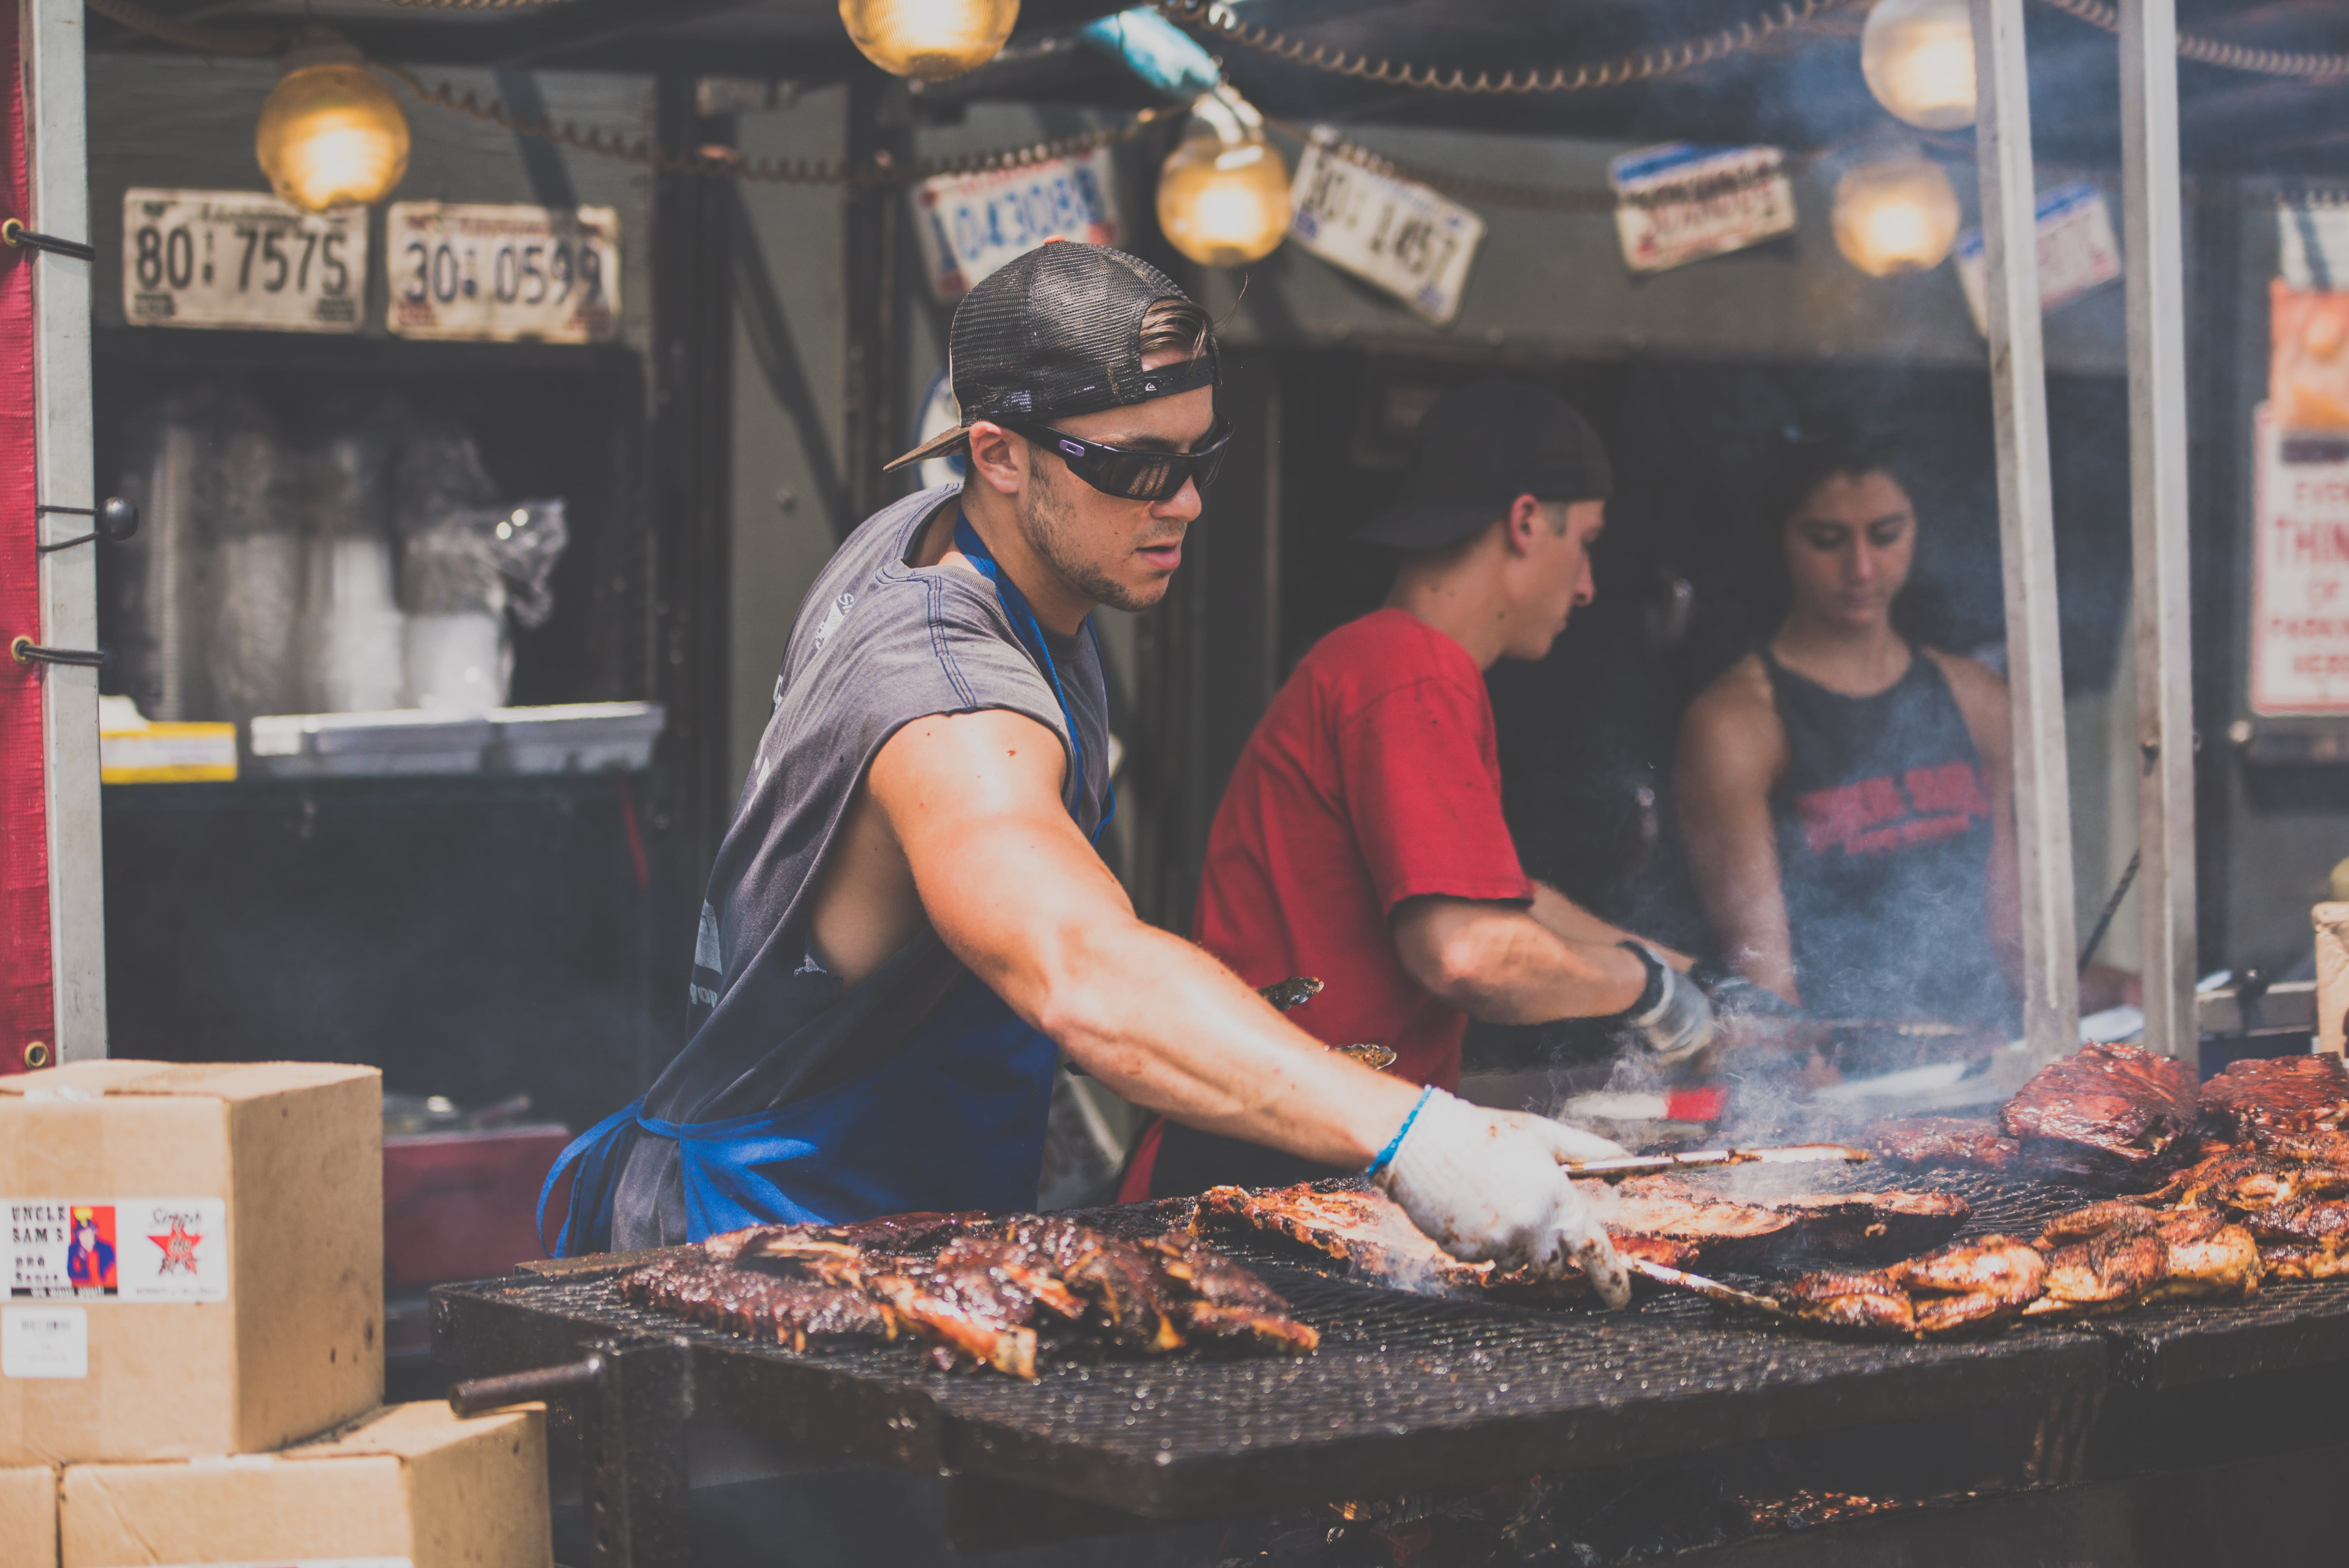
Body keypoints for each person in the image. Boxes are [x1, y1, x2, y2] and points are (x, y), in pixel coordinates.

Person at [540, 245, 1634, 1306]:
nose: (1186, 505)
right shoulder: (949, 695)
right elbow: (1080, 969)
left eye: (1198, 459)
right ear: (998, 453)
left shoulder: (949, 534)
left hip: (907, 1225)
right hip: (771, 1240)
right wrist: (1416, 1133)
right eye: (1136, 468)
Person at [1123, 380, 1728, 1200]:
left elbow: (1508, 903)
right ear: (1523, 522)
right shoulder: (1410, 669)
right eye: (1584, 542)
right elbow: (1468, 953)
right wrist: (1652, 992)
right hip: (1266, 1172)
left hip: (1295, 1156)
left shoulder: (1387, 661)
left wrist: (1704, 977)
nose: (1587, 585)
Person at [1674, 428, 2027, 1030]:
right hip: (1841, 1078)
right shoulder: (1737, 722)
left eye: (1886, 535)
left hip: (1986, 1062)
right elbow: (1768, 989)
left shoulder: (1980, 700)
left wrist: (2123, 988)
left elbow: (2016, 943)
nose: (1861, 567)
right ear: (1783, 540)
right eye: (1827, 540)